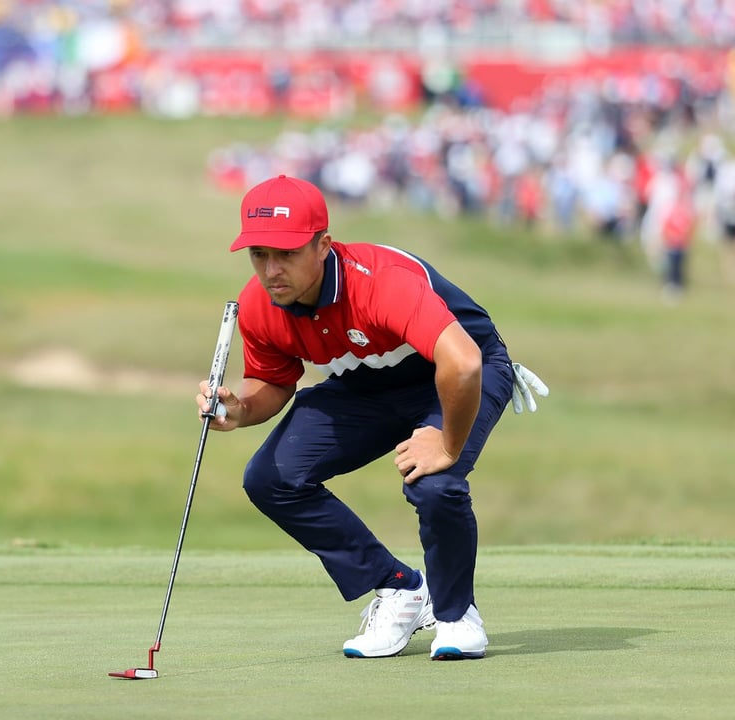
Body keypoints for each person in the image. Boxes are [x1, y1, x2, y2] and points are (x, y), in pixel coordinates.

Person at [197, 175, 548, 661]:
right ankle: (401, 589)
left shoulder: (378, 282)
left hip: (458, 372)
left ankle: (456, 615)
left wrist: (445, 445)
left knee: (433, 483)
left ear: (323, 245)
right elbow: (274, 380)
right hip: (367, 385)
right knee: (271, 479)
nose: (271, 270)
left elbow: (463, 362)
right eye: (259, 255)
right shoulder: (262, 304)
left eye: (287, 254)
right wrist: (240, 409)